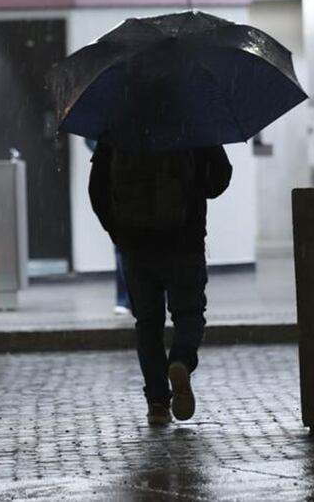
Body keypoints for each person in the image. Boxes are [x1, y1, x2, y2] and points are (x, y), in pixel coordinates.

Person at [89, 142, 232, 426]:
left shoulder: (118, 123)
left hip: (135, 245)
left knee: (148, 323)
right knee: (189, 313)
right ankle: (180, 360)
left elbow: (97, 190)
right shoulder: (190, 120)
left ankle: (157, 403)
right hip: (184, 242)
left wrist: (118, 231)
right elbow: (220, 177)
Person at [84, 138, 131, 315]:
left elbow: (97, 190)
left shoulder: (113, 126)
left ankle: (125, 299)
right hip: (169, 216)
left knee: (125, 253)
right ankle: (126, 298)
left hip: (128, 210)